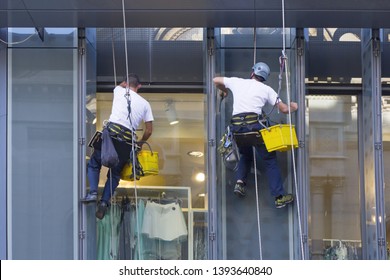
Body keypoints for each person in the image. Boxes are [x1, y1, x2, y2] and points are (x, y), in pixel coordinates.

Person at [213, 62, 298, 208]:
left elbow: (216, 80)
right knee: (270, 160)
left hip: (237, 130)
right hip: (254, 128)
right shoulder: (267, 89)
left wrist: (224, 91)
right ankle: (279, 197)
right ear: (264, 77)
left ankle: (239, 183)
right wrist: (294, 107)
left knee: (245, 155)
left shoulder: (237, 82)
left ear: (252, 72)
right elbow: (284, 109)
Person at [83, 73, 154, 219]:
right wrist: (140, 143)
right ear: (139, 86)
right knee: (115, 174)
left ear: (126, 83)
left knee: (95, 163)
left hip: (111, 135)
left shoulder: (119, 90)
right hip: (127, 141)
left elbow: (122, 84)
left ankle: (93, 193)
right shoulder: (146, 104)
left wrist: (124, 83)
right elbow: (149, 130)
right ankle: (104, 203)